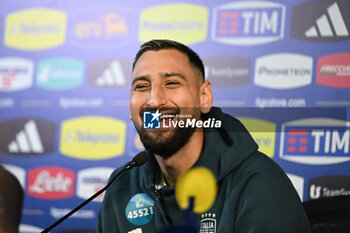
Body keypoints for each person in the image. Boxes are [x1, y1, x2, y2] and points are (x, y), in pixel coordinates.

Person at [97, 39, 311, 233]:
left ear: (204, 97)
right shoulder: (121, 186)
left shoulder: (260, 184)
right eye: (142, 87)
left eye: (171, 83)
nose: (154, 101)